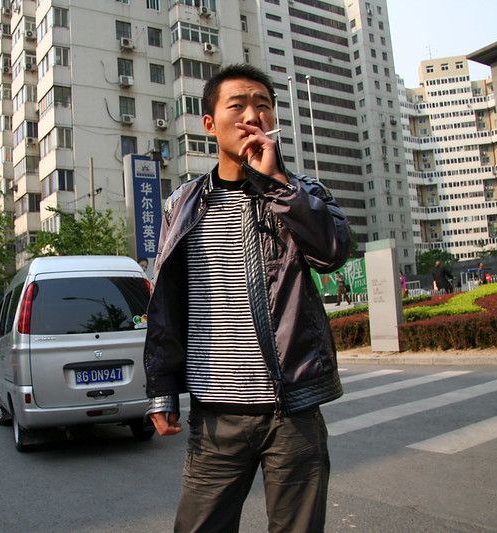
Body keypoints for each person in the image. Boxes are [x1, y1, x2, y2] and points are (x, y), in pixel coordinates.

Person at [143, 64, 351, 532]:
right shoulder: (183, 204)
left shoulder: (301, 191)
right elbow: (167, 304)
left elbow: (333, 252)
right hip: (216, 417)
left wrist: (277, 183)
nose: (252, 116)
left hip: (292, 410)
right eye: (237, 106)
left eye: (263, 105)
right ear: (210, 124)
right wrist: (161, 390)